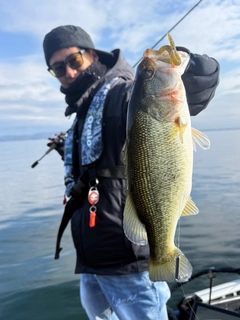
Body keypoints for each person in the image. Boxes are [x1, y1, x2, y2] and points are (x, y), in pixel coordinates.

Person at [43, 25, 220, 320]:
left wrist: (194, 72)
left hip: (126, 260)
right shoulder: (81, 111)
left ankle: (163, 253)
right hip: (91, 261)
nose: (69, 73)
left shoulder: (122, 92)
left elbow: (164, 97)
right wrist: (66, 149)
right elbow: (96, 163)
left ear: (92, 55)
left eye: (73, 61)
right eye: (57, 69)